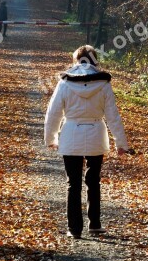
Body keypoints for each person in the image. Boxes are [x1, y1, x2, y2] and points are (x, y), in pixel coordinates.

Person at [44, 45, 129, 239]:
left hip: (71, 134)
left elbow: (54, 112)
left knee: (73, 183)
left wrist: (51, 138)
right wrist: (121, 143)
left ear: (76, 61)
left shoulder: (65, 83)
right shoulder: (103, 83)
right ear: (94, 60)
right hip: (95, 133)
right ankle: (95, 224)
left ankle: (74, 228)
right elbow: (113, 116)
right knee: (93, 181)